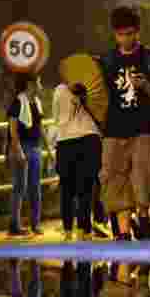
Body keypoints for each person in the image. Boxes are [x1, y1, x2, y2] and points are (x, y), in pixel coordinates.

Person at [99, 6, 150, 241]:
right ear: (114, 34)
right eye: (121, 34)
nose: (126, 38)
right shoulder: (106, 60)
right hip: (113, 130)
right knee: (114, 179)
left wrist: (147, 87)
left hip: (143, 130)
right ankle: (123, 232)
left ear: (138, 32)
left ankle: (143, 217)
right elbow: (99, 96)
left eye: (130, 33)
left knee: (142, 177)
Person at [53, 74, 102, 241]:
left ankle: (68, 231)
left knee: (66, 190)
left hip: (65, 141)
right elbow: (100, 116)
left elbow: (56, 117)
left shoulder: (59, 90)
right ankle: (84, 230)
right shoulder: (94, 89)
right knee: (86, 190)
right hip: (89, 140)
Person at [6, 73, 44, 237]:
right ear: (30, 84)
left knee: (35, 188)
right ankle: (15, 225)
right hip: (21, 147)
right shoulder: (17, 102)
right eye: (39, 82)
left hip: (35, 147)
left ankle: (35, 224)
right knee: (20, 187)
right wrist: (18, 150)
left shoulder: (37, 103)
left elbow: (39, 127)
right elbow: (12, 130)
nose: (40, 85)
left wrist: (48, 148)